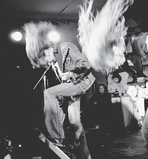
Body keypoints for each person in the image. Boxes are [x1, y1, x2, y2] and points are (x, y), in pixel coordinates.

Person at [77, 0, 148, 159]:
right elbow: (133, 81)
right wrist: (135, 91)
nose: (115, 65)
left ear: (114, 47)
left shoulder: (142, 40)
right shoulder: (124, 58)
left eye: (112, 60)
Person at [23, 21, 96, 159]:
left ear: (46, 51)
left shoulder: (65, 46)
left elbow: (85, 64)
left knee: (49, 92)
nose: (50, 63)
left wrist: (71, 73)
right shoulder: (54, 60)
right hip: (72, 86)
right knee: (75, 122)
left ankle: (58, 138)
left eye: (47, 60)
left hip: (82, 81)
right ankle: (85, 156)